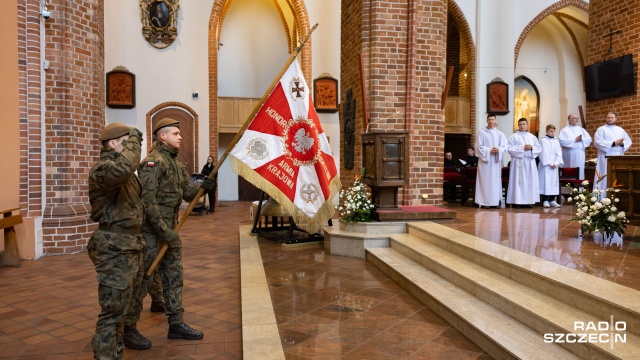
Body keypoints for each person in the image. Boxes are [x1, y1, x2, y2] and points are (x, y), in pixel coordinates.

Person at [124, 118, 216, 349]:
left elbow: (186, 193)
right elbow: (147, 202)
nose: (180, 136)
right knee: (143, 281)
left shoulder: (175, 163)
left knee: (174, 277)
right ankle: (128, 328)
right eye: (175, 133)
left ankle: (176, 323)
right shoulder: (152, 163)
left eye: (179, 133)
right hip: (153, 232)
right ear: (161, 136)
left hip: (170, 229)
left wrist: (203, 187)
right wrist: (164, 231)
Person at [87, 123, 145, 359]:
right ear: (113, 144)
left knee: (123, 309)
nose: (133, 146)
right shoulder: (103, 169)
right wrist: (134, 139)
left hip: (130, 245)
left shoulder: (124, 172)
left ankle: (115, 351)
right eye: (126, 141)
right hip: (113, 247)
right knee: (112, 313)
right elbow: (123, 168)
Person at [475, 114, 508, 208]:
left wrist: (498, 149)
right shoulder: (482, 132)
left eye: (492, 119)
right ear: (487, 121)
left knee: (495, 182)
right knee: (485, 181)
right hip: (485, 161)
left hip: (495, 161)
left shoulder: (500, 134)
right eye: (489, 119)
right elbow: (478, 146)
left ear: (495, 121)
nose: (491, 121)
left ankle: (495, 202)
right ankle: (485, 202)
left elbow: (505, 146)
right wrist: (489, 150)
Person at [593, 111, 632, 192]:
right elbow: (597, 142)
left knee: (617, 175)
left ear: (616, 118)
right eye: (608, 117)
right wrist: (614, 143)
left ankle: (616, 196)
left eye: (612, 117)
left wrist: (621, 144)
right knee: (605, 174)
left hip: (618, 155)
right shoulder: (601, 129)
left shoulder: (620, 129)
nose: (610, 119)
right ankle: (602, 195)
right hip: (605, 156)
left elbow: (628, 141)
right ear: (605, 118)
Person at [507, 118, 541, 207]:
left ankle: (528, 201)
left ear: (527, 125)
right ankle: (517, 201)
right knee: (518, 182)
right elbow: (509, 149)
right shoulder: (513, 136)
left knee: (529, 182)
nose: (522, 126)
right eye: (520, 124)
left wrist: (532, 148)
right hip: (518, 162)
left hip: (529, 162)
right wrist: (522, 148)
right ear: (518, 125)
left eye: (524, 124)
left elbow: (538, 148)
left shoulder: (532, 137)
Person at [558, 114, 592, 179]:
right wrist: (574, 140)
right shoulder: (564, 130)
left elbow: (589, 140)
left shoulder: (581, 130)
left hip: (580, 153)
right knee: (570, 172)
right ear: (569, 120)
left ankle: (579, 187)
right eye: (574, 118)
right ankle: (568, 187)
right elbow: (562, 142)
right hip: (569, 154)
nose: (576, 120)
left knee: (580, 172)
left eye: (577, 118)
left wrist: (582, 139)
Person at [538, 124, 563, 208]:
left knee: (553, 182)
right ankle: (545, 199)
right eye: (550, 131)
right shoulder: (543, 140)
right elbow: (543, 153)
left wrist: (556, 163)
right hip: (546, 165)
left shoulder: (556, 140)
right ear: (546, 131)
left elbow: (559, 153)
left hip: (554, 165)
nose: (552, 133)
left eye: (553, 131)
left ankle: (552, 199)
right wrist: (549, 163)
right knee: (546, 181)